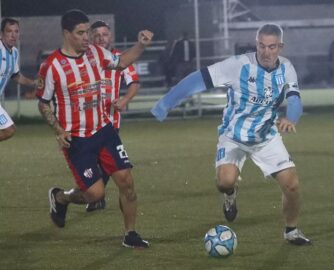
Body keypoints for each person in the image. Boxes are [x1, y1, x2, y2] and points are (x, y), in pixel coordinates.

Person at [151, 24, 311, 245]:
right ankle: (230, 195)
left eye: (272, 47)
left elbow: (295, 99)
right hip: (233, 136)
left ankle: (291, 231)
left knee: (292, 184)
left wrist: (291, 118)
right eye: (262, 46)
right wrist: (165, 103)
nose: (266, 52)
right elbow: (198, 79)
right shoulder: (237, 65)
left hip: (266, 137)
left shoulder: (287, 68)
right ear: (256, 44)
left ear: (280, 47)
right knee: (225, 182)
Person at [36, 9, 153, 248]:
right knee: (95, 194)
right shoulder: (52, 66)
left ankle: (130, 234)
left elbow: (120, 63)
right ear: (67, 34)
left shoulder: (96, 54)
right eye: (80, 33)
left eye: (87, 32)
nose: (87, 37)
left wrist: (140, 46)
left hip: (104, 130)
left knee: (127, 182)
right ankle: (61, 197)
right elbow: (43, 102)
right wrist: (58, 130)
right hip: (77, 140)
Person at [84, 20, 141, 212]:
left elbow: (134, 82)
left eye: (104, 34)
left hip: (110, 120)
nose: (101, 38)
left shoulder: (120, 57)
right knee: (93, 161)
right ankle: (94, 195)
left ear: (111, 36)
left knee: (107, 162)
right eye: (97, 35)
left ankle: (95, 196)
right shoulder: (85, 57)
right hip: (87, 120)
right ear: (91, 37)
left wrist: (124, 100)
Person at [0, 18, 36, 141]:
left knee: (9, 131)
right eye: (9, 31)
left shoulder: (14, 52)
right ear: (1, 34)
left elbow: (16, 76)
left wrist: (34, 83)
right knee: (9, 130)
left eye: (16, 31)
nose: (13, 34)